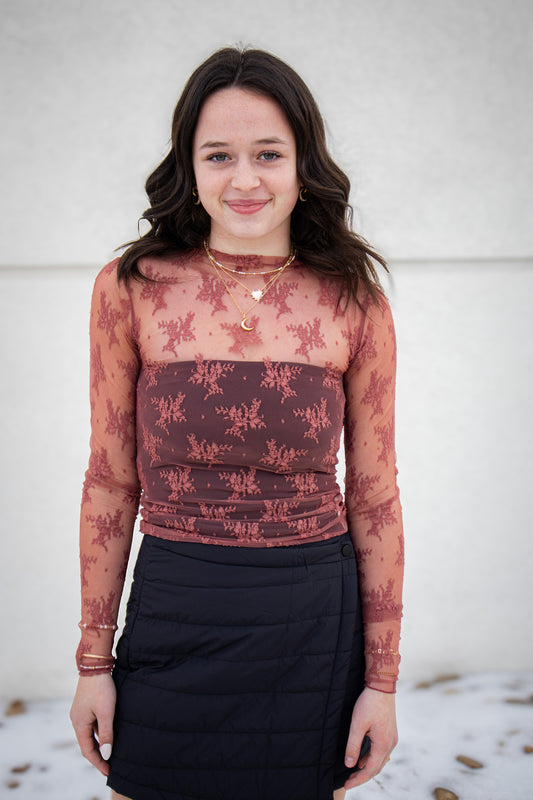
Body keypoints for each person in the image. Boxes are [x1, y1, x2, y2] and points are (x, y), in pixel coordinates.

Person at [70, 46, 404, 800]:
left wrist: (379, 681)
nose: (245, 179)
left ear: (301, 163)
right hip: (173, 606)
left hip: (309, 623)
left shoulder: (353, 299)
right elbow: (111, 481)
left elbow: (376, 497)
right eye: (218, 154)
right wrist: (94, 662)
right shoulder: (132, 288)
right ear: (188, 166)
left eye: (268, 154)